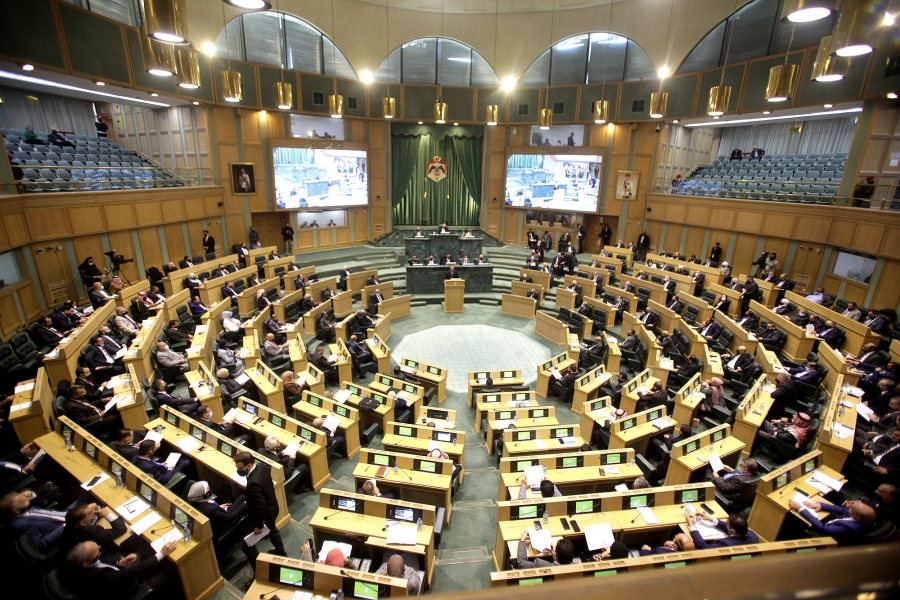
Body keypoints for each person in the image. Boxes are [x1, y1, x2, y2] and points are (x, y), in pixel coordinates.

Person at [63, 538, 178, 600]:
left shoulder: (84, 562)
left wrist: (119, 563)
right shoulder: (99, 577)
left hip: (119, 575)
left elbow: (103, 564)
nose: (100, 548)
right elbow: (131, 572)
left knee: (145, 550)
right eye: (97, 551)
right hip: (128, 589)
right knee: (171, 570)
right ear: (86, 564)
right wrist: (162, 554)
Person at [235, 451, 287, 559]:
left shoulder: (253, 482)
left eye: (240, 468)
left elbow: (260, 506)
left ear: (249, 465)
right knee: (272, 529)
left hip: (265, 513)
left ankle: (279, 552)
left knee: (269, 531)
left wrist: (259, 526)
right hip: (272, 505)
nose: (238, 470)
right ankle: (280, 551)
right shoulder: (261, 466)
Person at [57, 502, 128, 564]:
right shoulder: (93, 534)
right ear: (83, 522)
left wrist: (90, 508)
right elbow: (121, 529)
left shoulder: (70, 526)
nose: (94, 511)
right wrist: (107, 515)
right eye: (90, 512)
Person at [788, 498, 875, 545]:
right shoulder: (863, 517)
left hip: (824, 536)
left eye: (852, 507)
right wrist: (821, 506)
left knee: (794, 519)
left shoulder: (850, 528)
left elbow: (824, 529)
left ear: (858, 517)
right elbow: (842, 510)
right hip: (832, 525)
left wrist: (801, 509)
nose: (849, 505)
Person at [0, 490, 66, 551]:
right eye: (25, 500)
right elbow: (41, 544)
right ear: (16, 511)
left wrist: (32, 494)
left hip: (64, 513)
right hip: (65, 527)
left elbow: (40, 504)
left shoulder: (23, 508)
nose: (29, 499)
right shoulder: (21, 525)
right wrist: (65, 526)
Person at [687, 512, 759, 549]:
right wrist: (710, 519)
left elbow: (704, 547)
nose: (725, 523)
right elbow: (728, 528)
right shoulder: (753, 536)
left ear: (733, 531)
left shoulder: (725, 543)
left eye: (727, 523)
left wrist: (691, 525)